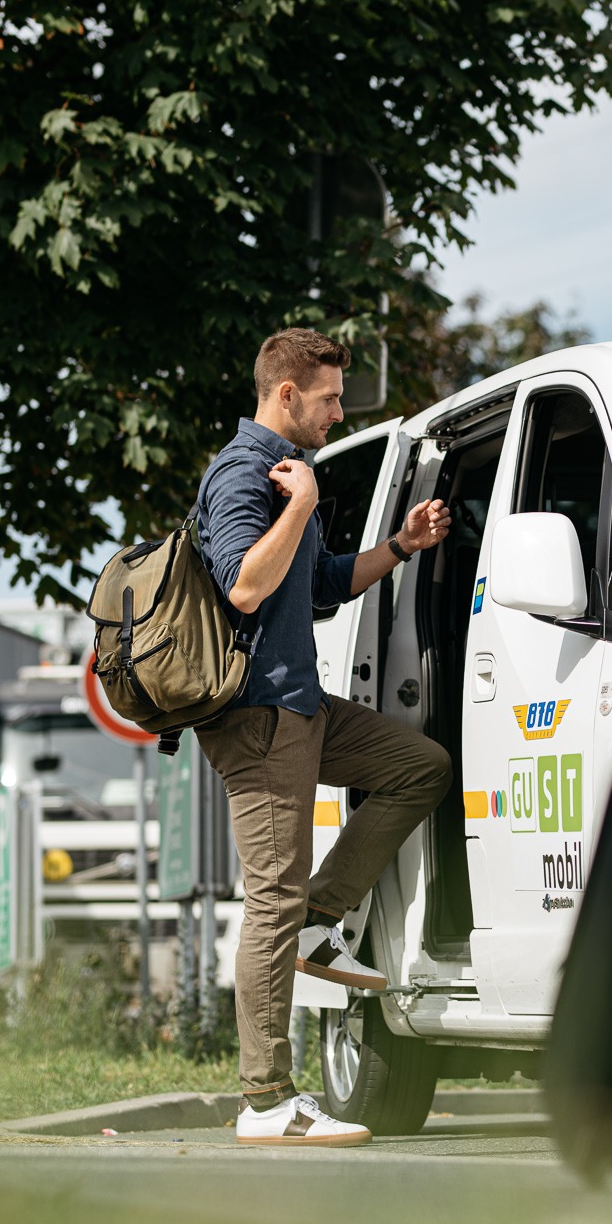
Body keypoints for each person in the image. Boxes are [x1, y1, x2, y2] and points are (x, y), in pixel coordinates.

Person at [195, 327, 455, 1147]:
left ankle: (321, 918)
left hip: (303, 704)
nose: (340, 411)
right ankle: (266, 1099)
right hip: (259, 714)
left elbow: (320, 585)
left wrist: (401, 547)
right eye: (331, 397)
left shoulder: (285, 475)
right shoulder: (246, 474)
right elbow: (243, 584)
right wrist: (300, 503)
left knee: (419, 766)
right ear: (285, 394)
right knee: (269, 894)